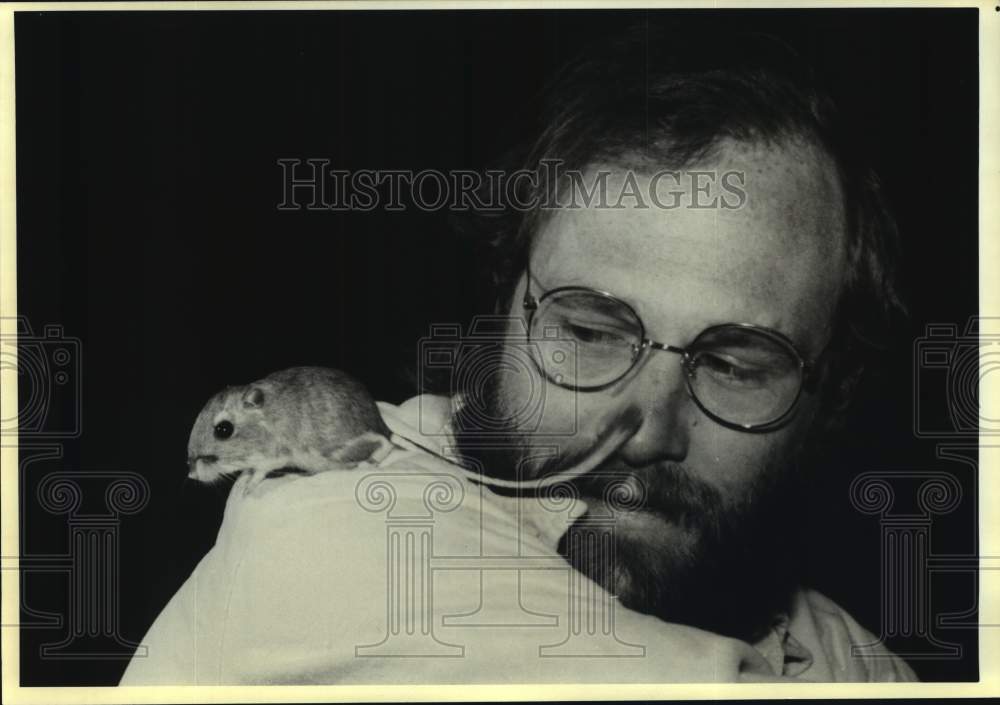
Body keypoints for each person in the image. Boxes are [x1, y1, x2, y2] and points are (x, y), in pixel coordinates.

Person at [120, 26, 917, 684]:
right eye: (589, 331)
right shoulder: (327, 527)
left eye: (737, 364)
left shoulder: (862, 661)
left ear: (830, 396)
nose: (643, 432)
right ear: (503, 303)